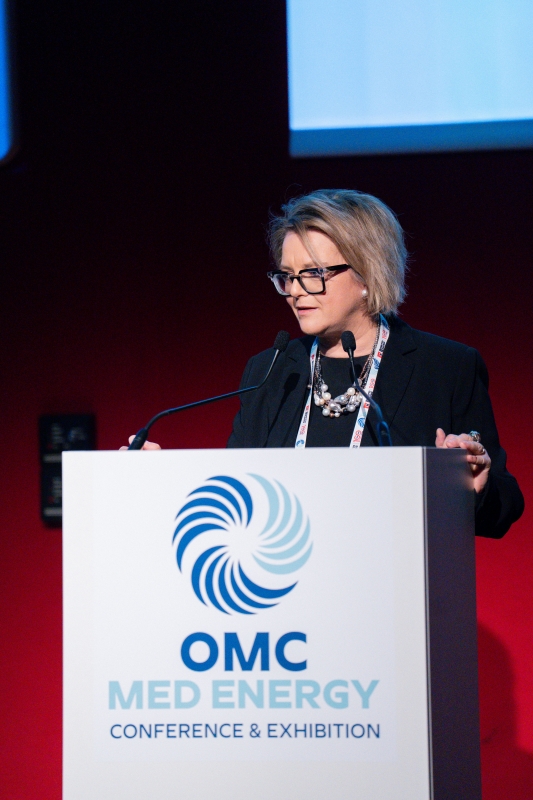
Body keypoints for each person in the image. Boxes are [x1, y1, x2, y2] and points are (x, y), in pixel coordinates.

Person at [126, 189, 523, 539]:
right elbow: (237, 496)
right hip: (288, 589)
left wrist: (476, 486)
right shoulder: (271, 372)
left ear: (367, 273)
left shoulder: (445, 367)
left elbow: (504, 508)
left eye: (313, 274)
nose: (296, 291)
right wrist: (166, 482)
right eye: (287, 276)